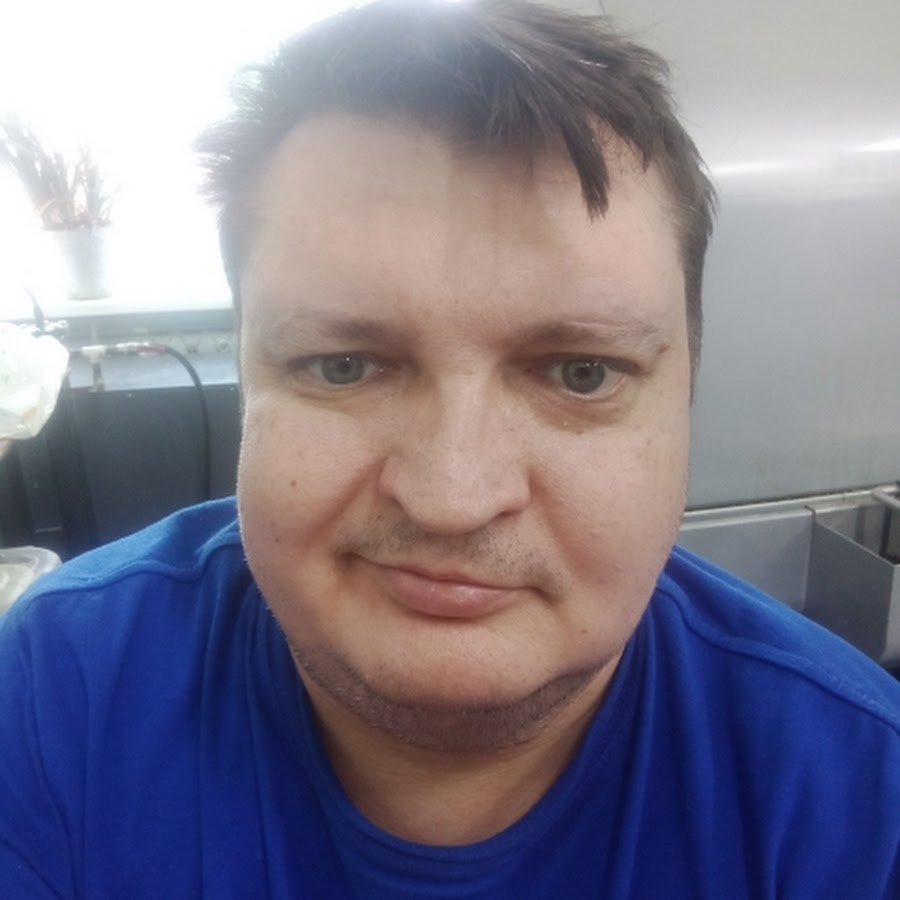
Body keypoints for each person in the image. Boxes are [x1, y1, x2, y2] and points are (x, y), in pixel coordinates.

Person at [0, 0, 897, 896]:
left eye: (581, 373)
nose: (452, 496)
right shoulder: (60, 693)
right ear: (247, 380)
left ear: (688, 395)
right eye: (344, 366)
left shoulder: (858, 801)